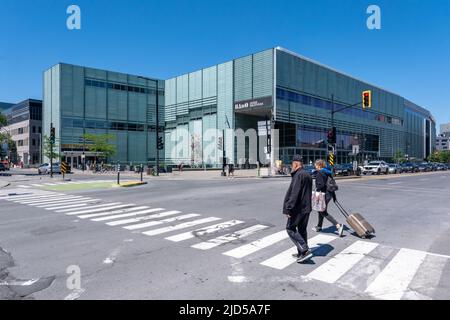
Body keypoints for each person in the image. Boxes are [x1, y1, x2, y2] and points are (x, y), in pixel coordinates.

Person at [283, 155, 313, 263]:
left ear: (296, 164)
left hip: (298, 208)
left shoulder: (298, 175)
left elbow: (294, 194)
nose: (291, 166)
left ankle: (304, 249)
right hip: (306, 207)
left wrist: (288, 208)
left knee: (290, 228)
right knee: (302, 230)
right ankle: (301, 253)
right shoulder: (307, 174)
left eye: (292, 164)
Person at [312, 159, 344, 237]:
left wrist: (316, 190)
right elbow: (331, 184)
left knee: (322, 211)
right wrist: (334, 197)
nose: (315, 166)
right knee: (320, 210)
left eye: (315, 165)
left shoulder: (320, 173)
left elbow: (321, 185)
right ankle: (319, 227)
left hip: (323, 194)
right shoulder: (327, 172)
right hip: (329, 194)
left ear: (319, 165)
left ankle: (338, 225)